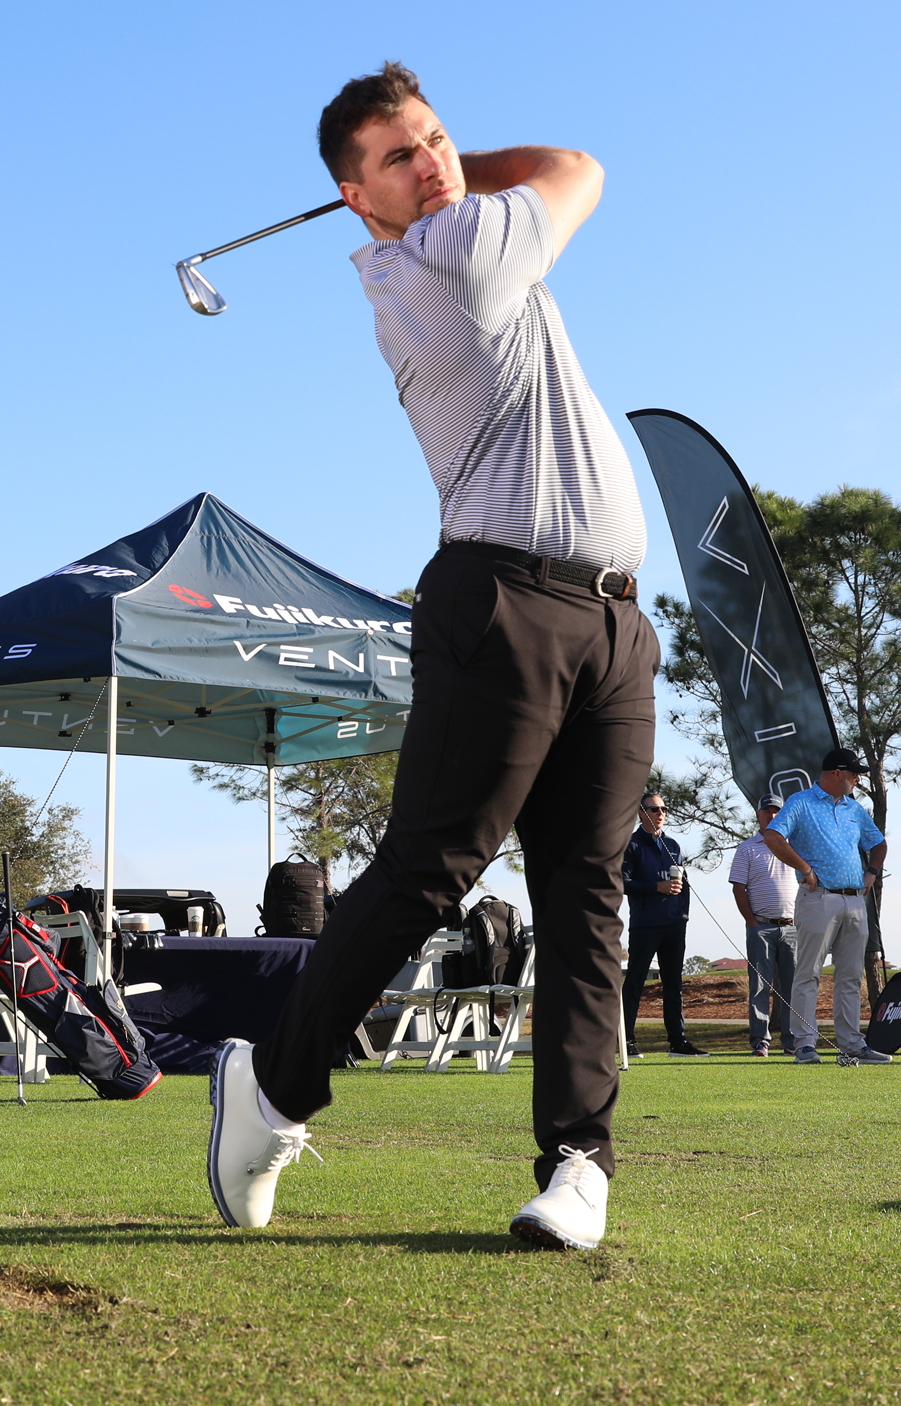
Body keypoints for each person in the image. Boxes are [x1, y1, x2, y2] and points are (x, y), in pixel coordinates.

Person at [205, 62, 649, 1254]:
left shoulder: (450, 233)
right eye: (398, 157)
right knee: (427, 871)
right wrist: (466, 174)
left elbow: (540, 185)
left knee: (586, 893)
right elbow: (583, 169)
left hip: (611, 617)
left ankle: (576, 1165)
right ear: (358, 200)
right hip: (497, 600)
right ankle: (275, 1090)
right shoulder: (446, 259)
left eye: (439, 138)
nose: (435, 162)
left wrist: (431, 166)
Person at [759, 749, 892, 1064]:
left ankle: (852, 1044)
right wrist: (805, 870)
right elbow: (774, 836)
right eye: (854, 774)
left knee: (850, 975)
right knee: (809, 973)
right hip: (819, 898)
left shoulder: (855, 808)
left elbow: (878, 843)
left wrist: (872, 871)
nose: (858, 779)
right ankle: (805, 1044)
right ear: (837, 773)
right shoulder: (801, 802)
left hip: (855, 900)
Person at [623, 794, 707, 1057]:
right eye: (654, 809)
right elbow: (621, 883)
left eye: (664, 809)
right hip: (645, 925)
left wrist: (684, 914)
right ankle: (626, 1041)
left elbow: (685, 884)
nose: (660, 813)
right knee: (635, 983)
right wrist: (655, 887)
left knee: (674, 985)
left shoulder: (673, 845)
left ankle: (678, 1043)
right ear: (641, 813)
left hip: (674, 924)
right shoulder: (631, 845)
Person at [728, 792, 799, 1057]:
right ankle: (761, 1041)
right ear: (758, 815)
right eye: (767, 811)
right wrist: (751, 922)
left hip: (792, 927)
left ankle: (792, 1041)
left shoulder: (794, 846)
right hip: (761, 927)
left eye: (777, 812)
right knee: (759, 986)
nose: (772, 815)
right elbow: (738, 888)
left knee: (793, 987)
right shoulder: (747, 848)